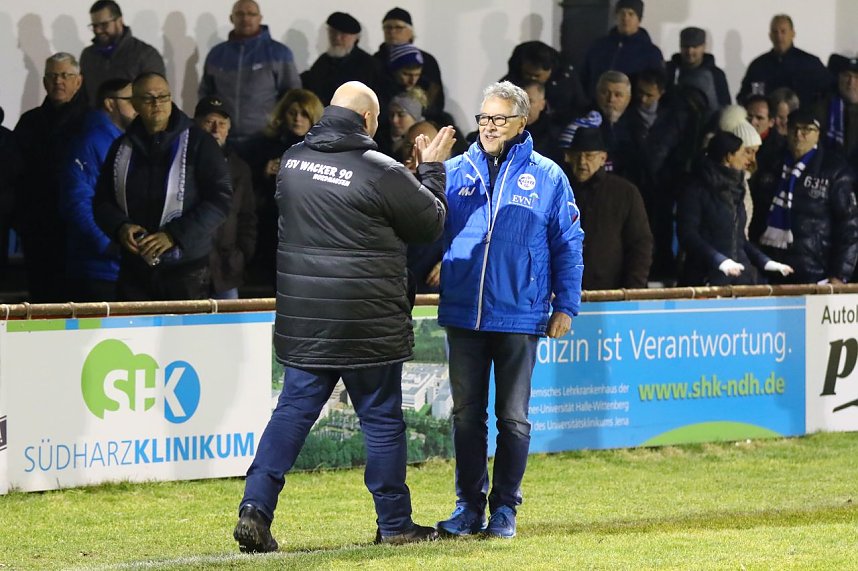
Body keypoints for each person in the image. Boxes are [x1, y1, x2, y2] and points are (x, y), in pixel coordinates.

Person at [233, 81, 457, 552]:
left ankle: (255, 508)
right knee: (380, 421)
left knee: (291, 413)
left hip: (306, 317)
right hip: (366, 320)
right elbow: (430, 221)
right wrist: (432, 170)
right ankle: (395, 524)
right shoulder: (381, 170)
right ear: (368, 121)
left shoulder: (292, 162)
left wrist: (409, 179)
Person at [437, 81, 583, 539]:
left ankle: (505, 510)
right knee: (465, 415)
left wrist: (568, 304)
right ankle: (467, 508)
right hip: (464, 312)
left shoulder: (549, 176)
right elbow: (424, 227)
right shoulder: (455, 171)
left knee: (513, 418)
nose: (488, 127)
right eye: (483, 118)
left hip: (520, 314)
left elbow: (568, 243)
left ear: (523, 122)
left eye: (499, 119)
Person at [93, 72, 232, 300]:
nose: (157, 103)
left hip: (187, 270)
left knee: (185, 336)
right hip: (135, 269)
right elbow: (102, 201)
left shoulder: (199, 142)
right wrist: (120, 227)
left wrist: (174, 235)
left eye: (163, 97)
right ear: (135, 103)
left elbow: (220, 200)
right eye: (148, 98)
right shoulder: (120, 146)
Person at [10, 52, 89, 302]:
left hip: (78, 230)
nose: (59, 81)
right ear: (44, 82)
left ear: (79, 81)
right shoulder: (29, 122)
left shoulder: (92, 122)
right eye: (53, 76)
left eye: (66, 75)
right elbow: (16, 176)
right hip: (38, 227)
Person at [754, 109, 858, 284]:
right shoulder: (771, 163)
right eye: (794, 128)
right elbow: (756, 214)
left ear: (818, 134)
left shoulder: (834, 170)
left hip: (815, 272)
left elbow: (850, 227)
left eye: (806, 130)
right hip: (768, 268)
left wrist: (840, 275)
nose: (799, 135)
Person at [677, 131, 791, 286]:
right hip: (705, 279)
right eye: (743, 153)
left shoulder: (738, 189)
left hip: (739, 280)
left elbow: (739, 240)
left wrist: (765, 261)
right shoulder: (696, 189)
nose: (748, 159)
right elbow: (688, 235)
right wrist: (719, 261)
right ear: (729, 157)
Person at [61, 77, 137, 302]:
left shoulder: (124, 140)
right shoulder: (92, 141)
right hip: (99, 266)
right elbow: (77, 201)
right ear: (110, 103)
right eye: (131, 100)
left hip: (118, 264)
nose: (138, 106)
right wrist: (109, 245)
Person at [246, 89, 323, 294]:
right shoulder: (264, 146)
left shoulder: (324, 149)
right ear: (283, 115)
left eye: (304, 114)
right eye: (293, 113)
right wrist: (264, 170)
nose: (298, 119)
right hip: (274, 231)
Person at [199, 0, 300, 152]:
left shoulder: (279, 53)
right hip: (224, 140)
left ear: (260, 18)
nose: (245, 18)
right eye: (240, 14)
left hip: (266, 140)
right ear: (231, 18)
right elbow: (205, 95)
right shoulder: (216, 55)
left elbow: (293, 96)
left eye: (251, 14)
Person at [562, 126, 651, 289]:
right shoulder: (558, 190)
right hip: (562, 292)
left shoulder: (625, 192)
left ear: (603, 158)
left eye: (589, 156)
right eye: (577, 156)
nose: (582, 162)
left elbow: (640, 244)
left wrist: (633, 290)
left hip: (611, 293)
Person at [193, 96, 257, 299]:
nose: (215, 129)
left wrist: (243, 253)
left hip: (227, 269)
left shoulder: (240, 168)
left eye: (221, 124)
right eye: (209, 122)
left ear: (228, 129)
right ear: (196, 124)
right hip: (191, 268)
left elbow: (247, 216)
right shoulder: (183, 164)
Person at [79, 1, 165, 106]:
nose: (98, 30)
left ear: (120, 21)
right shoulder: (88, 56)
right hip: (97, 121)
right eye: (94, 26)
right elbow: (83, 98)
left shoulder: (146, 55)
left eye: (104, 25)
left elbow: (156, 99)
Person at [736, 14, 829, 107]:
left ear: (793, 34)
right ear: (770, 35)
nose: (779, 36)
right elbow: (743, 97)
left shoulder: (810, 63)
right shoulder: (758, 66)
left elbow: (828, 93)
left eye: (783, 31)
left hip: (803, 119)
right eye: (775, 32)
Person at [580, 0, 664, 97]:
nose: (625, 18)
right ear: (616, 15)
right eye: (622, 13)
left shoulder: (651, 53)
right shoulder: (598, 46)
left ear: (639, 19)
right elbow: (584, 77)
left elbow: (655, 87)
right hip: (597, 106)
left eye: (631, 14)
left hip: (632, 109)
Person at [301, 12, 386, 106]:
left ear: (356, 38)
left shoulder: (369, 65)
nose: (337, 37)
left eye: (343, 34)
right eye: (333, 32)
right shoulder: (322, 61)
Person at [501, 40, 588, 129]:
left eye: (537, 76)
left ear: (549, 71)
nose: (532, 79)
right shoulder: (509, 83)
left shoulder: (566, 81)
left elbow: (580, 107)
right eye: (528, 74)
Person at [373, 7, 445, 114]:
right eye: (388, 27)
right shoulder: (374, 62)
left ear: (411, 32)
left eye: (398, 27)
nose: (392, 32)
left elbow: (435, 97)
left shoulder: (427, 61)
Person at [665, 26, 731, 113]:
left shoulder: (716, 75)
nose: (690, 51)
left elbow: (725, 107)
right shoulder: (668, 70)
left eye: (695, 46)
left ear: (703, 47)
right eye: (686, 46)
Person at [815, 55, 858, 166]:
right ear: (838, 78)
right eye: (846, 76)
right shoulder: (822, 108)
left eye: (857, 77)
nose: (851, 82)